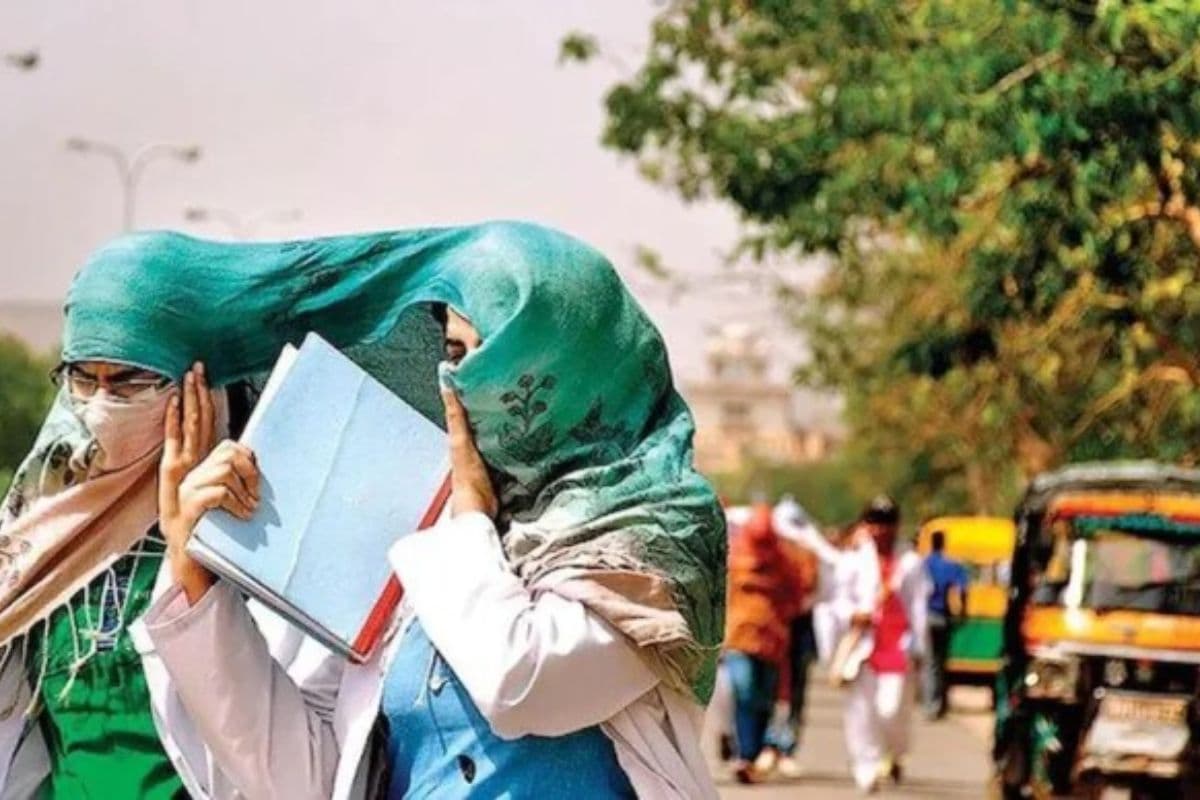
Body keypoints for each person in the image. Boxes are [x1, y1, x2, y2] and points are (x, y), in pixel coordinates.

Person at [59, 221, 727, 800]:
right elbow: (305, 777)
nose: (456, 384)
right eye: (453, 353)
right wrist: (196, 577)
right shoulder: (436, 537)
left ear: (565, 364)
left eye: (484, 357)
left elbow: (523, 683)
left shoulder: (654, 534)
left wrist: (467, 520)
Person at [722, 503, 812, 785]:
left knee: (764, 698)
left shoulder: (784, 561)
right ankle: (746, 753)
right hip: (739, 638)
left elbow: (798, 595)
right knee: (744, 690)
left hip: (772, 641)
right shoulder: (732, 557)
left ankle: (757, 750)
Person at [843, 495, 928, 794]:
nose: (881, 530)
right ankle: (865, 766)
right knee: (862, 711)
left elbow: (919, 607)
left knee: (891, 710)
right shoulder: (853, 560)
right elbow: (837, 602)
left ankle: (895, 753)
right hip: (864, 646)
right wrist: (853, 614)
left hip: (898, 646)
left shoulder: (911, 563)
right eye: (875, 523)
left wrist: (920, 648)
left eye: (887, 523)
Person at [755, 496, 819, 779]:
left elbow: (811, 589)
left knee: (795, 690)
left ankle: (787, 747)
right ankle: (765, 745)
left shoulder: (809, 555)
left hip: (799, 627)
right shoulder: (763, 554)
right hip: (770, 627)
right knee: (767, 689)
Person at [922, 529, 968, 720]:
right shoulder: (952, 565)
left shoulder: (923, 564)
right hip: (944, 617)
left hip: (927, 616)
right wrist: (964, 610)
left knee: (930, 662)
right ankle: (942, 703)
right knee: (943, 662)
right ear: (943, 543)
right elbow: (963, 588)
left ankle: (931, 705)